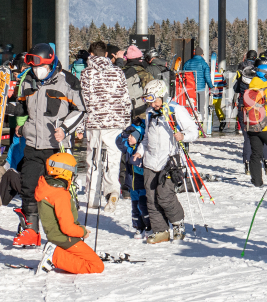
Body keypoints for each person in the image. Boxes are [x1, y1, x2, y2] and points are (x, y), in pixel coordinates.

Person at [4, 43, 86, 247]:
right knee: (28, 186)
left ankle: (68, 230)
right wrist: (5, 107)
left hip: (56, 147)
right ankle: (31, 231)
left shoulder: (67, 81)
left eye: (39, 66)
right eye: (32, 67)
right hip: (33, 144)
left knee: (58, 192)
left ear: (50, 64)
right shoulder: (29, 80)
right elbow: (22, 107)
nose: (35, 70)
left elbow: (81, 110)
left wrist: (65, 128)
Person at [133, 79, 199, 243]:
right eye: (149, 101)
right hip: (150, 161)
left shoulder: (176, 110)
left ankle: (178, 224)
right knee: (151, 197)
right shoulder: (149, 113)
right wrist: (140, 152)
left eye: (154, 100)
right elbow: (147, 138)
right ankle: (160, 230)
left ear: (162, 96)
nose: (153, 104)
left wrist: (184, 136)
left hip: (170, 161)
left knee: (164, 196)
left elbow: (194, 131)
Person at [81, 40, 132, 213]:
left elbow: (83, 101)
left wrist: (81, 127)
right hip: (115, 121)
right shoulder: (118, 72)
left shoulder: (87, 73)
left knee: (94, 160)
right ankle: (113, 191)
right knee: (113, 158)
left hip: (95, 122)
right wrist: (126, 124)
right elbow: (125, 99)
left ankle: (92, 199)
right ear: (106, 54)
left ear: (91, 54)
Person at [35, 152, 104, 274]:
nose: (74, 175)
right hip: (65, 238)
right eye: (73, 171)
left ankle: (55, 253)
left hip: (56, 237)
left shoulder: (47, 188)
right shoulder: (60, 194)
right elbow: (67, 228)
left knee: (83, 258)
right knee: (96, 266)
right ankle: (55, 256)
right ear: (65, 172)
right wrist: (82, 231)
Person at [116, 120, 149, 238]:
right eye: (129, 136)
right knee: (135, 209)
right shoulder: (129, 149)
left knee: (143, 206)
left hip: (142, 184)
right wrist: (124, 134)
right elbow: (119, 143)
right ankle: (139, 228)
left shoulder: (142, 150)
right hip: (132, 185)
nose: (129, 138)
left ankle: (148, 227)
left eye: (131, 136)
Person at [123, 45, 154, 120]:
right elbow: (152, 92)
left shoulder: (120, 72)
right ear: (140, 59)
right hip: (141, 111)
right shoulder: (144, 73)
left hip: (125, 111)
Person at [181, 47, 213, 119]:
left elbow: (183, 75)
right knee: (200, 107)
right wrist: (211, 86)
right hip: (200, 88)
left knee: (190, 106)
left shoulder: (187, 63)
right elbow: (207, 77)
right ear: (202, 54)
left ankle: (190, 119)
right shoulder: (204, 64)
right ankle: (200, 121)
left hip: (189, 88)